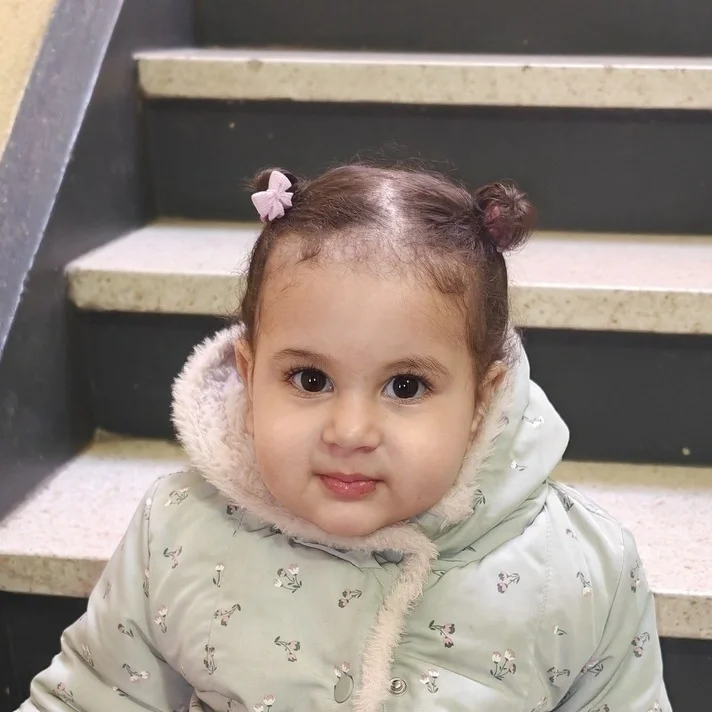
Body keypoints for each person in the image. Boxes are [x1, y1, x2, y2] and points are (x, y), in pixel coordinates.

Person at [19, 164, 670, 712]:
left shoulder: (581, 567)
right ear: (249, 377)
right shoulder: (178, 530)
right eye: (310, 379)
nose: (351, 431)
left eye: (406, 386)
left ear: (481, 400)